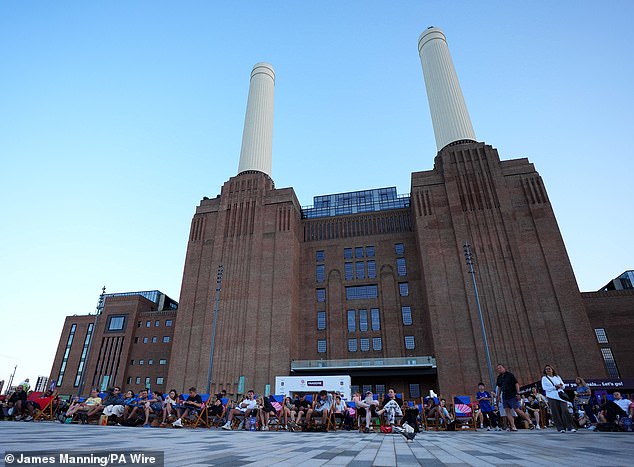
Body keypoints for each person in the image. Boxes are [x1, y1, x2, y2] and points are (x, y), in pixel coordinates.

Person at [495, 363, 534, 431]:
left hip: (512, 395)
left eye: (500, 368)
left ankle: (529, 422)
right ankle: (513, 426)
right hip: (504, 396)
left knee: (517, 410)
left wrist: (518, 393)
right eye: (498, 368)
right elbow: (499, 387)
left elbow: (516, 384)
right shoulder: (499, 377)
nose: (499, 369)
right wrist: (498, 396)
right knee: (507, 411)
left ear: (504, 368)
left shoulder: (510, 375)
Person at [541, 364, 576, 433]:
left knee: (565, 411)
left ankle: (570, 427)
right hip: (552, 397)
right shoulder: (544, 378)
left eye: (549, 368)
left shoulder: (557, 377)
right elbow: (544, 388)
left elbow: (563, 386)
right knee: (555, 412)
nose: (548, 370)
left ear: (552, 369)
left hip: (561, 396)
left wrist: (561, 386)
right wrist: (555, 387)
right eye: (546, 369)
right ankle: (560, 428)